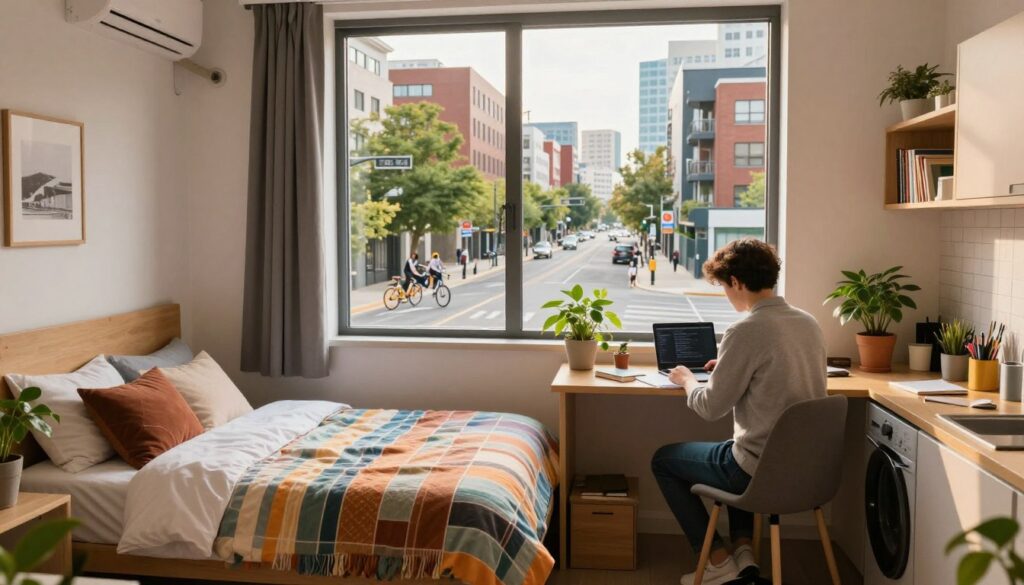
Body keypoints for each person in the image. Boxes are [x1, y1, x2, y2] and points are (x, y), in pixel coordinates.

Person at [650, 238, 826, 585]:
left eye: (724, 287)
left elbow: (710, 407)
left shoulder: (746, 330)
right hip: (807, 468)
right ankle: (744, 552)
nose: (726, 294)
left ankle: (718, 561)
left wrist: (687, 380)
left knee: (664, 460)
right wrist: (730, 368)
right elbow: (777, 373)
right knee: (733, 448)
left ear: (736, 282)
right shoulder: (808, 322)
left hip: (758, 471)